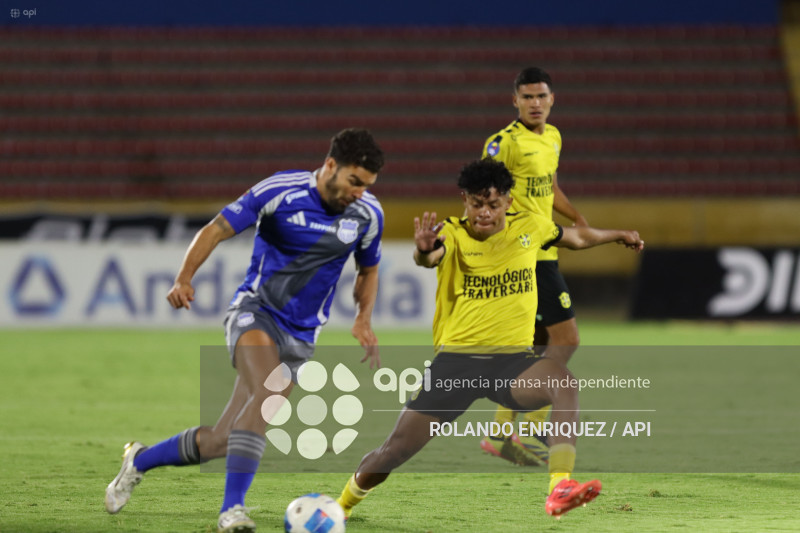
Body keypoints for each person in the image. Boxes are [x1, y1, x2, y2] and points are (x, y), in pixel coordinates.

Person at [104, 128, 385, 533]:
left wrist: (363, 318)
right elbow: (217, 228)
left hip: (302, 337)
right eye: (354, 182)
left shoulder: (367, 214)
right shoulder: (281, 191)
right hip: (255, 312)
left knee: (222, 440)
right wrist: (184, 277)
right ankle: (231, 512)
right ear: (330, 166)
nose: (359, 193)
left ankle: (139, 460)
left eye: (368, 186)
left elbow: (369, 269)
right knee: (268, 391)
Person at [336, 158, 644, 519]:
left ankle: (559, 486)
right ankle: (341, 505)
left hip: (511, 363)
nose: (484, 212)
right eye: (477, 203)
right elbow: (429, 257)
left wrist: (618, 234)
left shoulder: (530, 226)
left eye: (493, 204)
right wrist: (422, 248)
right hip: (456, 365)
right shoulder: (452, 233)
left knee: (563, 383)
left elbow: (575, 237)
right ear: (464, 200)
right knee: (393, 452)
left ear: (509, 202)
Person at [480, 66, 590, 465]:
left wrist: (577, 218)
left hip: (546, 248)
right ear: (515, 101)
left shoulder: (555, 137)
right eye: (527, 97)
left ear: (552, 99)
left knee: (539, 342)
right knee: (567, 339)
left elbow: (550, 188)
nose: (535, 103)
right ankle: (530, 425)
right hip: (525, 255)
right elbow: (483, 196)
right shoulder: (503, 144)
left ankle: (500, 432)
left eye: (541, 96)